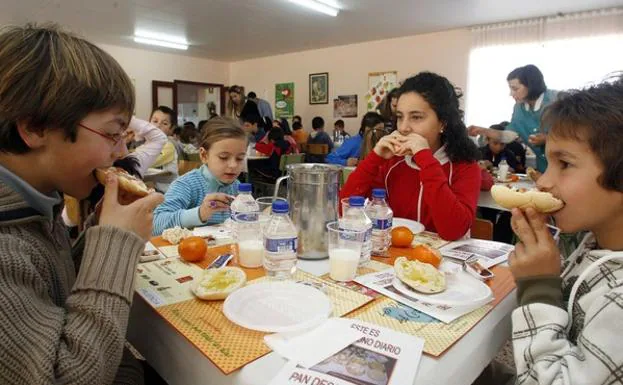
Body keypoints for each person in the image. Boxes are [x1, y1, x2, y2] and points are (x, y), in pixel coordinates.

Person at [0, 24, 164, 384]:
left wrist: (98, 232)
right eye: (111, 133)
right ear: (36, 128)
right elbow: (66, 376)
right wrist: (115, 244)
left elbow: (55, 289)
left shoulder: (35, 205)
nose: (121, 151)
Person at [509, 78, 623, 385]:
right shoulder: (595, 242)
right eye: (548, 161)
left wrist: (538, 285)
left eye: (565, 163)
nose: (543, 182)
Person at [341, 72, 481, 241]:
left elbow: (453, 230)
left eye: (416, 117)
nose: (404, 127)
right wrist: (374, 158)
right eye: (400, 117)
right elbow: (345, 211)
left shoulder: (465, 166)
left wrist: (425, 158)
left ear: (443, 122)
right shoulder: (392, 163)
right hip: (395, 257)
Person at [153, 117, 246, 235]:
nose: (233, 165)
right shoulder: (187, 184)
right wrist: (200, 213)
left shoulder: (236, 186)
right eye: (223, 157)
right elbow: (156, 224)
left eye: (240, 158)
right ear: (204, 155)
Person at [468, 65, 557, 173]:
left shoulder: (557, 100)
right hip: (545, 168)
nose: (511, 94)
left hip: (568, 167)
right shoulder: (519, 108)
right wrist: (483, 131)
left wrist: (547, 139)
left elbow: (578, 135)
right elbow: (508, 136)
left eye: (515, 89)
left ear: (531, 85)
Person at [149, 106, 180, 192]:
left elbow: (150, 161)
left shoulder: (168, 145)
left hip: (169, 191)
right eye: (155, 121)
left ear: (171, 129)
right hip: (155, 189)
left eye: (165, 123)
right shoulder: (148, 144)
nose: (158, 125)